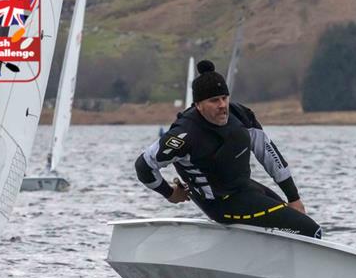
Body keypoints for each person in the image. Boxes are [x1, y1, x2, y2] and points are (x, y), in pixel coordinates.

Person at [135, 60, 322, 238]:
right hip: (221, 205)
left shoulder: (241, 115)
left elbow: (270, 156)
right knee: (310, 230)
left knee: (297, 218)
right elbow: (144, 166)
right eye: (214, 100)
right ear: (198, 105)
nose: (222, 105)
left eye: (224, 98)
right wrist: (169, 193)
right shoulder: (183, 134)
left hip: (245, 189)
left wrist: (293, 197)